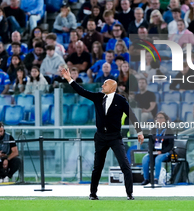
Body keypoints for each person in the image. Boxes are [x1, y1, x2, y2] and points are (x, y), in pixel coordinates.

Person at [61, 67, 144, 200]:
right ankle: (93, 193)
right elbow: (82, 91)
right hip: (100, 137)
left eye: (105, 84)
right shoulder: (98, 97)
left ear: (112, 88)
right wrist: (70, 79)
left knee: (125, 165)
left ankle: (130, 194)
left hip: (115, 137)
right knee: (97, 167)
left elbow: (132, 115)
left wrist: (140, 131)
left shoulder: (120, 100)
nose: (102, 85)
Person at [141, 112, 174, 185]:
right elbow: (150, 142)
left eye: (161, 117)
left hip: (165, 152)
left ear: (165, 120)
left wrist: (162, 151)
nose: (159, 119)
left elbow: (170, 145)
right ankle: (146, 179)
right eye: (157, 118)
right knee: (145, 159)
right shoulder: (153, 130)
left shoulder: (169, 130)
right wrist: (151, 151)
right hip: (154, 152)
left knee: (158, 159)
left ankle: (156, 178)